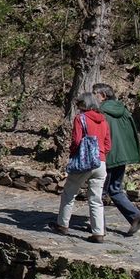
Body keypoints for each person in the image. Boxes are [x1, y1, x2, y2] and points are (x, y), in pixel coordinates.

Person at [51, 92, 112, 243]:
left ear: (84, 104)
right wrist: (101, 155)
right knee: (96, 199)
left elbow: (76, 141)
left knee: (69, 193)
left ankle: (62, 224)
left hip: (84, 162)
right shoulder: (104, 120)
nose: (77, 108)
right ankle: (98, 233)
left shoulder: (81, 119)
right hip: (101, 162)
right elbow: (108, 144)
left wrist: (72, 155)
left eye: (79, 105)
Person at [93, 83, 140, 235]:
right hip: (122, 155)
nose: (93, 97)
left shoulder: (101, 112)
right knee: (114, 189)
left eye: (94, 94)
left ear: (103, 96)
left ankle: (99, 227)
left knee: (99, 192)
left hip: (108, 155)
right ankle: (136, 216)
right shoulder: (123, 110)